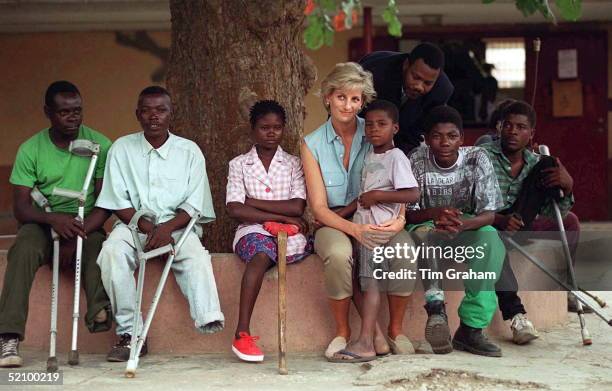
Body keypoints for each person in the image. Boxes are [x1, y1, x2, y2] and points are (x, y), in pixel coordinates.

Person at [95, 86, 224, 362]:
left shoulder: (189, 151)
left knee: (195, 255)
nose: (154, 116)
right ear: (137, 114)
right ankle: (131, 335)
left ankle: (208, 317)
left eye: (161, 110)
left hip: (178, 226)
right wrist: (147, 227)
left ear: (170, 114)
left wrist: (166, 229)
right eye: (147, 110)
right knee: (111, 253)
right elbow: (117, 201)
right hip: (134, 225)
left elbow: (194, 203)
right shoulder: (121, 148)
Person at [301, 62, 416, 361]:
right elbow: (318, 209)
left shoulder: (377, 128)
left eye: (355, 99)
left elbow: (397, 176)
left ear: (363, 102)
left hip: (380, 219)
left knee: (403, 250)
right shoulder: (311, 144)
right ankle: (343, 332)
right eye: (341, 97)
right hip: (334, 222)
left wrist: (400, 219)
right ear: (327, 97)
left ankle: (394, 330)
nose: (348, 106)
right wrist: (354, 230)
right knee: (340, 254)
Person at [0, 81, 112, 367]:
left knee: (99, 245)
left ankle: (99, 311)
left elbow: (105, 201)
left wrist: (77, 232)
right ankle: (8, 337)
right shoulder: (30, 149)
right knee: (22, 249)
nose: (73, 117)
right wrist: (52, 219)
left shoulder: (100, 145)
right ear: (48, 112)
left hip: (84, 221)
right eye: (64, 112)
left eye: (77, 111)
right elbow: (21, 208)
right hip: (42, 220)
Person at [406, 105, 505, 357]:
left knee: (491, 239)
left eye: (452, 136)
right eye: (437, 136)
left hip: (466, 224)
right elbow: (408, 212)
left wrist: (461, 225)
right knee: (421, 236)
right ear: (427, 139)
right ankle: (436, 310)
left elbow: (489, 214)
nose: (444, 142)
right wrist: (435, 215)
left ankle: (471, 329)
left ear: (462, 138)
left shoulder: (477, 157)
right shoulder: (416, 159)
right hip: (428, 225)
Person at [480, 100, 580, 345]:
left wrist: (567, 187)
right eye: (508, 126)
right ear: (499, 127)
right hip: (492, 222)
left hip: (522, 222)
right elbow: (471, 205)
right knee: (492, 240)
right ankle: (517, 316)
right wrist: (500, 220)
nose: (514, 131)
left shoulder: (535, 163)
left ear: (531, 133)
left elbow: (551, 210)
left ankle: (568, 288)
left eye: (521, 127)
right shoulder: (483, 155)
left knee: (571, 221)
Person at [330, 100, 420, 363]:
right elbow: (361, 197)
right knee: (362, 281)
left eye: (382, 124)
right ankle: (374, 340)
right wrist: (337, 217)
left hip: (377, 231)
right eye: (369, 124)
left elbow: (413, 193)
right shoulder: (370, 156)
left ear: (395, 128)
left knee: (370, 283)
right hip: (363, 226)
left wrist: (379, 196)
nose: (374, 130)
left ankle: (366, 342)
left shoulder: (397, 157)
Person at [226, 100, 311, 362]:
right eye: (264, 128)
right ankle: (242, 332)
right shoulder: (239, 164)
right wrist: (278, 216)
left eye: (277, 127)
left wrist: (253, 203)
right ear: (253, 130)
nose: (271, 133)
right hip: (251, 231)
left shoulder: (294, 163)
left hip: (290, 234)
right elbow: (235, 209)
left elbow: (298, 205)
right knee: (261, 253)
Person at [360, 42, 454, 155]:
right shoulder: (375, 73)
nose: (419, 86)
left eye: (428, 83)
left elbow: (415, 133)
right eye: (416, 77)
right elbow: (356, 115)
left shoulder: (441, 91)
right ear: (406, 65)